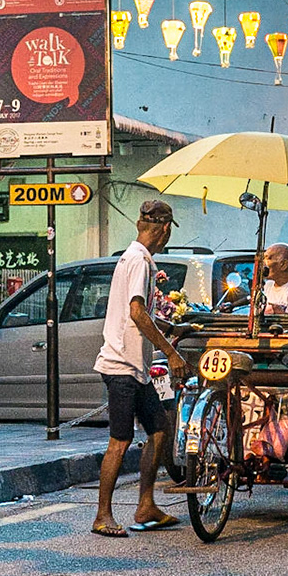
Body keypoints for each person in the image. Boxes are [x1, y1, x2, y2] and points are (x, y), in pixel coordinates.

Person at [90, 200, 188, 538]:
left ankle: (146, 504)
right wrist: (171, 353)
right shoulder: (140, 262)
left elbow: (139, 313)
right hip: (121, 366)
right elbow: (136, 312)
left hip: (135, 365)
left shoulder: (134, 257)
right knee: (120, 440)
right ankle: (103, 515)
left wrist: (169, 328)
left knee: (159, 429)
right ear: (163, 230)